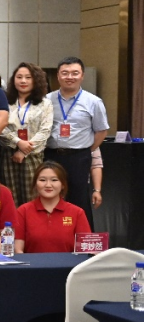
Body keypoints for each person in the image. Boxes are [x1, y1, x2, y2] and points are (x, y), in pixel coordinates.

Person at [44, 56, 108, 228]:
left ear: (82, 76)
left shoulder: (93, 102)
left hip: (79, 157)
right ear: (58, 76)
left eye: (74, 73)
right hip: (51, 156)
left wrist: (86, 149)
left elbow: (102, 131)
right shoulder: (47, 100)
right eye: (65, 73)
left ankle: (83, 240)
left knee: (79, 200)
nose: (69, 77)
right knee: (51, 197)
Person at [0, 62, 53, 206]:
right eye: (19, 77)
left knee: (32, 197)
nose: (23, 81)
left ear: (36, 80)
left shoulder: (45, 103)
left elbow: (45, 130)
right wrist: (18, 142)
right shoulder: (5, 101)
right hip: (8, 153)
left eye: (28, 77)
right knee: (10, 198)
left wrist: (24, 151)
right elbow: (0, 126)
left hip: (33, 155)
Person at [15, 161, 91, 253]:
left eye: (54, 180)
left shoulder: (77, 212)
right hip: (31, 263)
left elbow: (86, 250)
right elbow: (18, 250)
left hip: (68, 263)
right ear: (35, 184)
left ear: (63, 185)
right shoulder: (23, 211)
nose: (48, 185)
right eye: (42, 180)